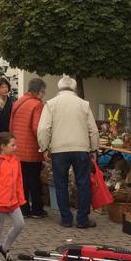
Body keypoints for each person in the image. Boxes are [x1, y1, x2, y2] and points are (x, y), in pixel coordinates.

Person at [37, 76, 99, 230]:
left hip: (59, 150)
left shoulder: (51, 104)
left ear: (59, 88)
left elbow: (44, 128)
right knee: (83, 184)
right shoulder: (84, 104)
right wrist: (93, 148)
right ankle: (83, 219)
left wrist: (44, 147)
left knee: (61, 184)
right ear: (74, 88)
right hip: (81, 148)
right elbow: (93, 129)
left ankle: (66, 218)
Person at [0, 132, 26, 261]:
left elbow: (19, 180)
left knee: (20, 224)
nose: (16, 147)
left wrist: (20, 199)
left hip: (13, 202)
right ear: (3, 147)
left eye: (15, 144)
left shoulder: (16, 160)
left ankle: (4, 248)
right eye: (12, 145)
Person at [10, 77, 48, 218]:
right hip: (31, 149)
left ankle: (23, 209)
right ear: (40, 91)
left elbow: (11, 124)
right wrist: (44, 146)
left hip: (17, 148)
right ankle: (37, 209)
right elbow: (37, 128)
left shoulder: (18, 102)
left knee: (22, 181)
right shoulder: (37, 105)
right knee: (34, 180)